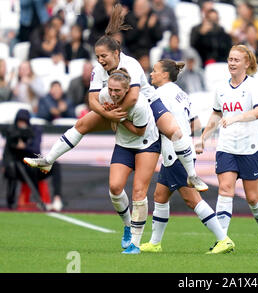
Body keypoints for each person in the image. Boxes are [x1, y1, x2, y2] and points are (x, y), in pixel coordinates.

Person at [23, 4, 208, 192]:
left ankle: (192, 175)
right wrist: (109, 115)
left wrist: (117, 117)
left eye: (104, 56)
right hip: (118, 109)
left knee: (175, 132)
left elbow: (134, 97)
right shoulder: (98, 70)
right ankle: (48, 160)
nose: (100, 60)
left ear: (116, 53)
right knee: (81, 125)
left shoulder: (132, 65)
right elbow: (93, 100)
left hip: (149, 104)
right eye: (97, 56)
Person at [139, 59, 235, 254]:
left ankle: (223, 239)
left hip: (175, 153)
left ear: (165, 75)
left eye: (155, 71)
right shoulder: (182, 94)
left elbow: (155, 123)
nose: (151, 74)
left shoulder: (160, 95)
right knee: (160, 195)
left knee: (193, 200)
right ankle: (155, 243)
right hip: (180, 150)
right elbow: (196, 124)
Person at [196, 45, 258, 251]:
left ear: (247, 63)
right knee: (225, 189)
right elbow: (216, 115)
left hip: (250, 148)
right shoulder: (221, 88)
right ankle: (223, 240)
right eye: (230, 59)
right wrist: (203, 138)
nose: (232, 63)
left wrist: (236, 118)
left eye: (236, 60)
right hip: (226, 147)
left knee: (253, 199)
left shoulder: (254, 86)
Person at [96, 68, 161, 254]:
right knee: (115, 187)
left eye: (118, 91)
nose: (113, 94)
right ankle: (127, 225)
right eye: (111, 89)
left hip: (146, 143)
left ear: (127, 90)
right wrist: (108, 114)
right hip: (124, 144)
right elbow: (100, 108)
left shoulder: (138, 105)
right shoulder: (104, 95)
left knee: (139, 192)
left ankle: (135, 243)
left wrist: (119, 117)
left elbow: (139, 131)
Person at [1, 109, 63, 211]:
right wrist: (4, 164)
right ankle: (36, 201)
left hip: (33, 162)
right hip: (19, 166)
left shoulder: (34, 131)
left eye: (24, 121)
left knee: (55, 165)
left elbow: (36, 150)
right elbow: (7, 151)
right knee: (26, 168)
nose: (22, 124)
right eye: (20, 121)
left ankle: (57, 198)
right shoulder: (11, 131)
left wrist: (24, 146)